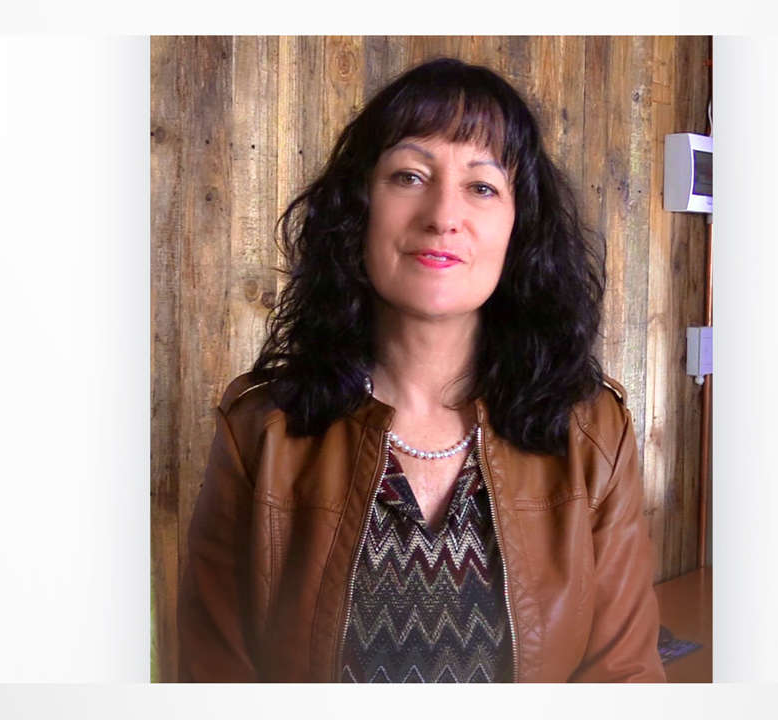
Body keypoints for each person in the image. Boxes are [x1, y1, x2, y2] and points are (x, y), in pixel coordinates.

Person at [177, 57, 666, 683]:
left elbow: (623, 676)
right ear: (359, 209)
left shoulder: (593, 432)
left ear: (519, 226)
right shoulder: (259, 430)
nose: (442, 215)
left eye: (482, 187)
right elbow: (215, 678)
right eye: (409, 176)